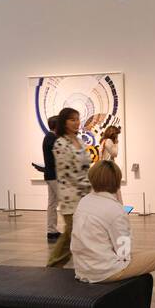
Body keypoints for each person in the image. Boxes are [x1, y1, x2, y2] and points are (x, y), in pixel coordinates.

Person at [71, 160, 155, 308]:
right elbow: (124, 252)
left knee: (148, 256)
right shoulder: (115, 210)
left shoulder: (85, 201)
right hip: (104, 271)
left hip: (83, 267)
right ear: (117, 182)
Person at [46, 107, 91, 267]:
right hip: (70, 196)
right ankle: (54, 264)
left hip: (85, 196)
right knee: (72, 232)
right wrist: (90, 185)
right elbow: (69, 173)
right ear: (64, 122)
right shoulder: (60, 143)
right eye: (72, 119)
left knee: (80, 232)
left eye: (77, 119)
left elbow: (86, 167)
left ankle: (86, 264)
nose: (76, 122)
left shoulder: (80, 141)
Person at [41, 114, 61, 243]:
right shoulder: (52, 138)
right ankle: (52, 230)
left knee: (52, 204)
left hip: (50, 175)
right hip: (54, 176)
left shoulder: (49, 137)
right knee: (64, 202)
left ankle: (51, 231)